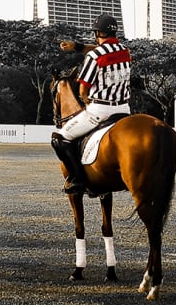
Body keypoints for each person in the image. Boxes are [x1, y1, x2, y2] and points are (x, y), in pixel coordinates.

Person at [52, 14, 131, 194]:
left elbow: (82, 90)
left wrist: (86, 102)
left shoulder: (94, 55)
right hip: (124, 109)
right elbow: (104, 50)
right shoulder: (124, 51)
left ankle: (77, 179)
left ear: (97, 33)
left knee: (59, 138)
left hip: (100, 110)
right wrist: (77, 47)